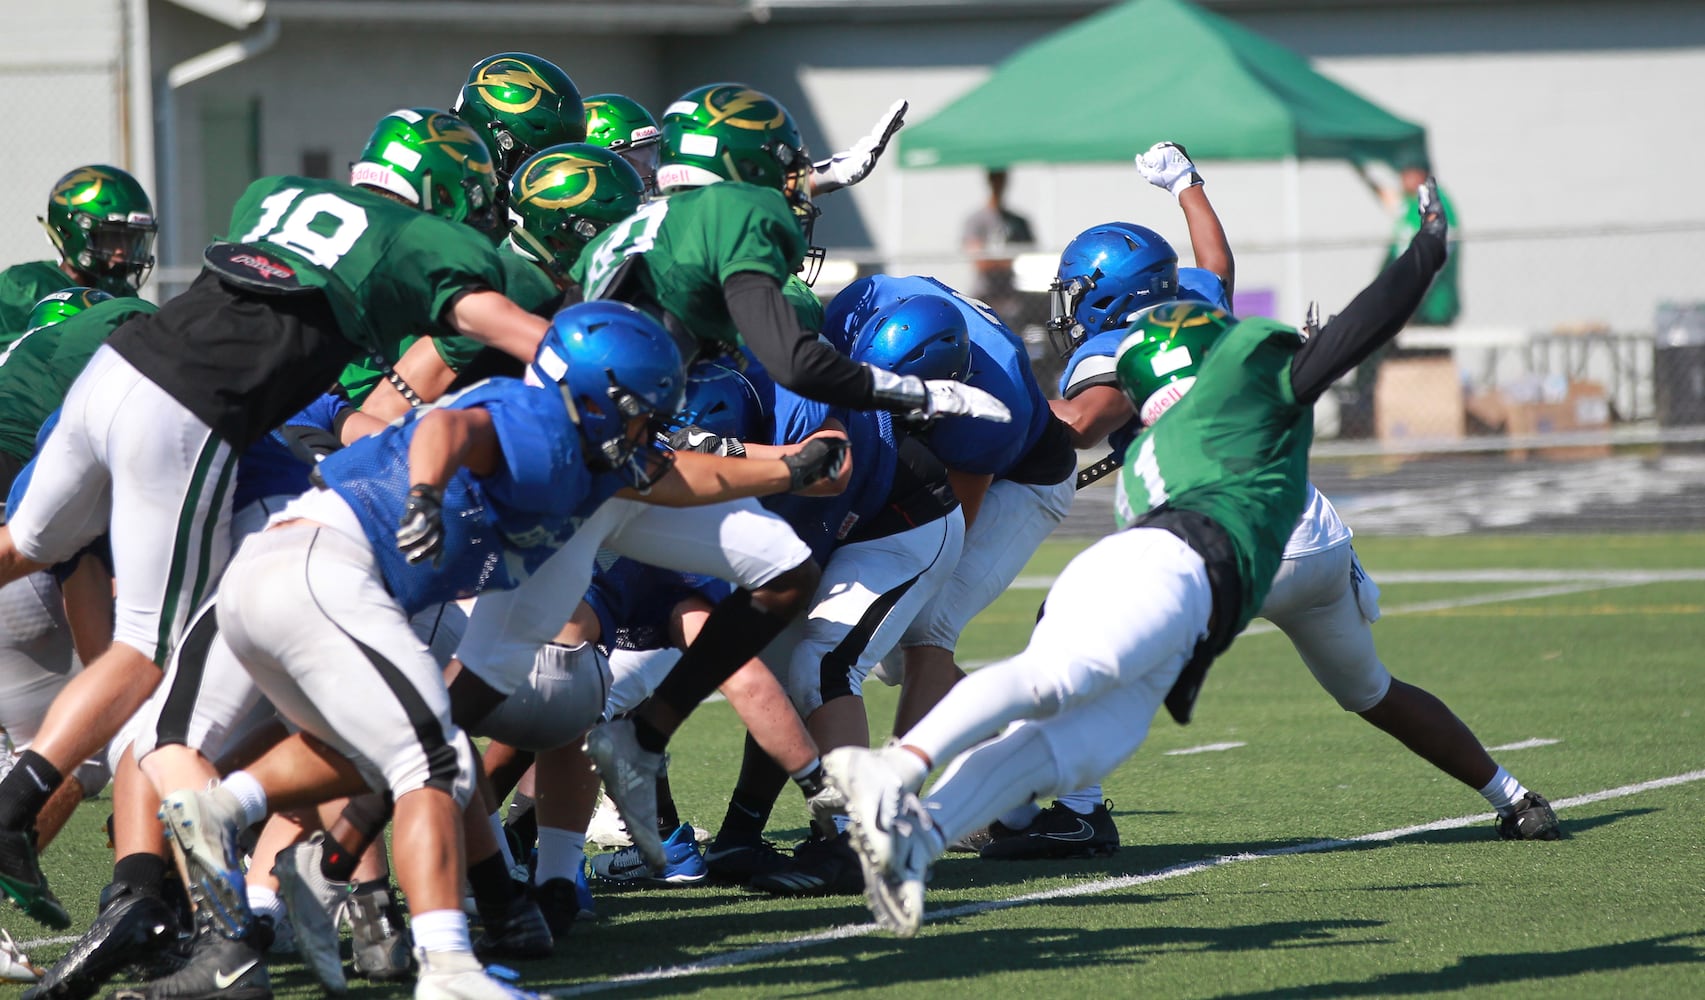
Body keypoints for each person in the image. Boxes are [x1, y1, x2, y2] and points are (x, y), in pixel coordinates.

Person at [825, 178, 1454, 938]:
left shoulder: (1145, 384)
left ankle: (920, 834)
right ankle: (893, 771)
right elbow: (1350, 325)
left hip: (1159, 571)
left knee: (1075, 741)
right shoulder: (1245, 399)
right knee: (1054, 686)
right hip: (1179, 568)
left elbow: (1102, 401)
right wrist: (1422, 256)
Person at [0, 106, 545, 932]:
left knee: (28, 543)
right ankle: (13, 818)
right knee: (147, 647)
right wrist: (598, 367)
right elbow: (497, 324)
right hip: (191, 408)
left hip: (115, 373)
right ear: (439, 188)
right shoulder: (426, 241)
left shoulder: (277, 193)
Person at [566, 82, 1005, 873]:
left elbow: (825, 477)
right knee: (549, 681)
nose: (790, 205)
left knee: (779, 622)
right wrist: (919, 393)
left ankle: (591, 840)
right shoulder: (743, 280)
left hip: (876, 516)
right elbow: (793, 361)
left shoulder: (639, 232)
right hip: (601, 464)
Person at [0, 166, 156, 342]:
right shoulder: (25, 287)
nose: (123, 250)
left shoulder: (122, 294)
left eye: (131, 239)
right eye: (112, 238)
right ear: (70, 231)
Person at [960, 168, 1035, 325]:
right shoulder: (976, 220)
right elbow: (980, 262)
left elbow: (1029, 257)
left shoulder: (1018, 222)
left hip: (1012, 295)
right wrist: (1008, 260)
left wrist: (1001, 260)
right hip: (984, 294)